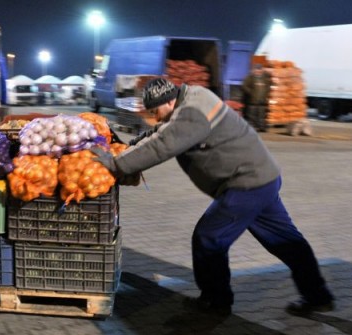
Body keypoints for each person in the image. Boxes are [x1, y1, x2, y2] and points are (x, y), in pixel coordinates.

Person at [90, 78, 335, 317]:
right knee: (288, 242)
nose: (155, 117)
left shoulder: (190, 116)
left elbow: (161, 146)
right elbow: (160, 132)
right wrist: (127, 146)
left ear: (168, 101)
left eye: (155, 111)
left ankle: (216, 302)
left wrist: (115, 164)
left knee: (209, 238)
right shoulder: (192, 98)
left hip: (245, 185)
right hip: (263, 179)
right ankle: (318, 296)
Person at [241, 63, 272, 132]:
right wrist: (251, 92)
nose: (258, 71)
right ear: (254, 70)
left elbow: (268, 87)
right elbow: (244, 86)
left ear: (262, 70)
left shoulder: (265, 78)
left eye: (259, 70)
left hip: (262, 101)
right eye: (257, 70)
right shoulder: (250, 77)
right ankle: (252, 127)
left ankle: (262, 127)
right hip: (252, 101)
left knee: (262, 115)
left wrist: (266, 93)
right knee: (252, 115)